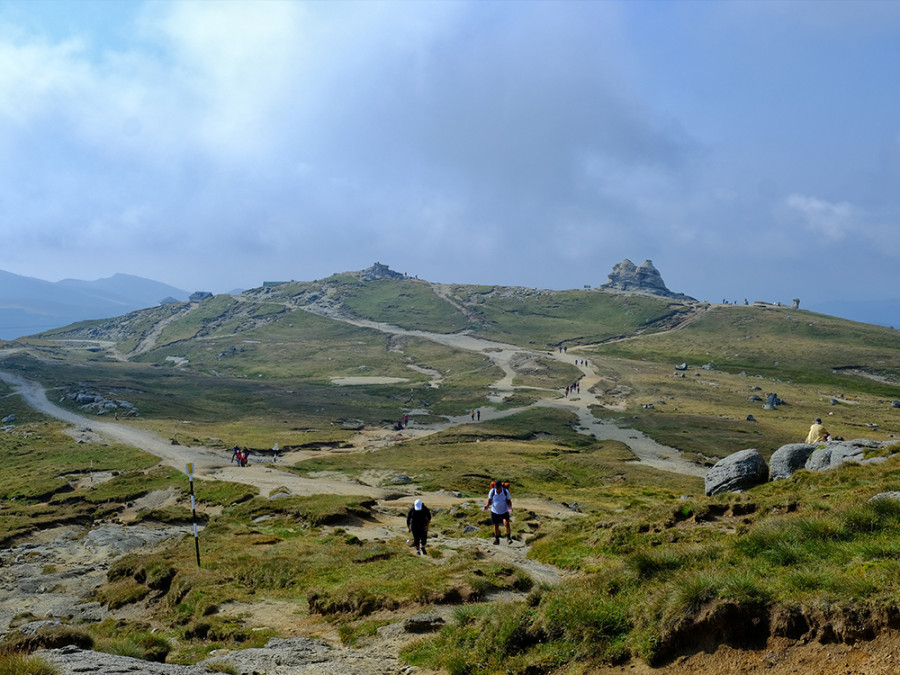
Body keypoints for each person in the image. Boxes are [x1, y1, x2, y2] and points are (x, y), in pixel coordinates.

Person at [484, 479, 512, 545]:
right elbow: (489, 500)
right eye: (496, 488)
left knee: (506, 523)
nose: (497, 489)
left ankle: (508, 538)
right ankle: (497, 539)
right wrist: (487, 506)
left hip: (504, 511)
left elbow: (508, 501)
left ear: (501, 487)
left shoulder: (505, 491)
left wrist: (510, 507)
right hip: (494, 511)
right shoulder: (492, 491)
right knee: (496, 525)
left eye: (498, 488)